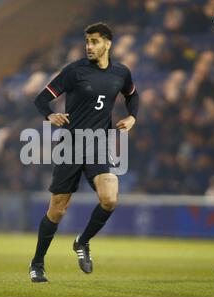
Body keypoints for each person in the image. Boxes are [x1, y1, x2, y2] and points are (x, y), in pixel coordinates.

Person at [29, 22, 139, 282]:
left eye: (94, 41)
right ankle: (37, 263)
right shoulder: (74, 71)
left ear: (108, 43)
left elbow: (133, 95)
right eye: (87, 41)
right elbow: (41, 98)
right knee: (57, 210)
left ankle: (82, 241)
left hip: (98, 144)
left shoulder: (121, 73)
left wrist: (133, 117)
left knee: (110, 198)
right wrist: (50, 114)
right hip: (70, 145)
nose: (89, 46)